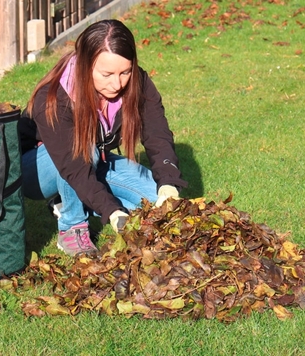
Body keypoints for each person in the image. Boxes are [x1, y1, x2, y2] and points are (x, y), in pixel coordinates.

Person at [17, 19, 187, 257]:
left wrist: (168, 182)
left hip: (93, 159)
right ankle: (72, 227)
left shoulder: (138, 82)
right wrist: (113, 212)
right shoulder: (53, 98)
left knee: (156, 204)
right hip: (35, 169)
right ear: (85, 66)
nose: (117, 83)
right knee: (84, 151)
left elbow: (157, 134)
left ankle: (70, 200)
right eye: (106, 74)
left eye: (125, 72)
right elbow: (74, 167)